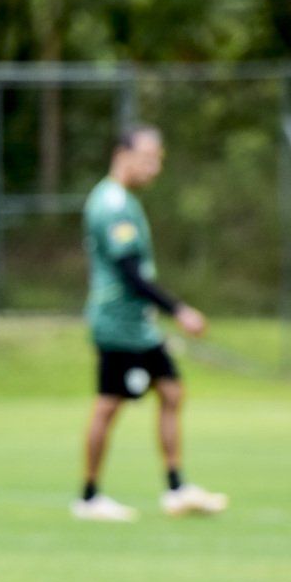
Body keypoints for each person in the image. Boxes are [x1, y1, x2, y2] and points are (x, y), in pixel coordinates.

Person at [73, 125, 228, 522]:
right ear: (121, 154)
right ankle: (89, 497)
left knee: (172, 393)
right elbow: (130, 274)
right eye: (147, 158)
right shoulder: (112, 204)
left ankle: (177, 488)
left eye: (158, 158)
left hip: (137, 325)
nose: (154, 167)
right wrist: (179, 311)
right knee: (108, 406)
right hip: (118, 325)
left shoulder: (124, 200)